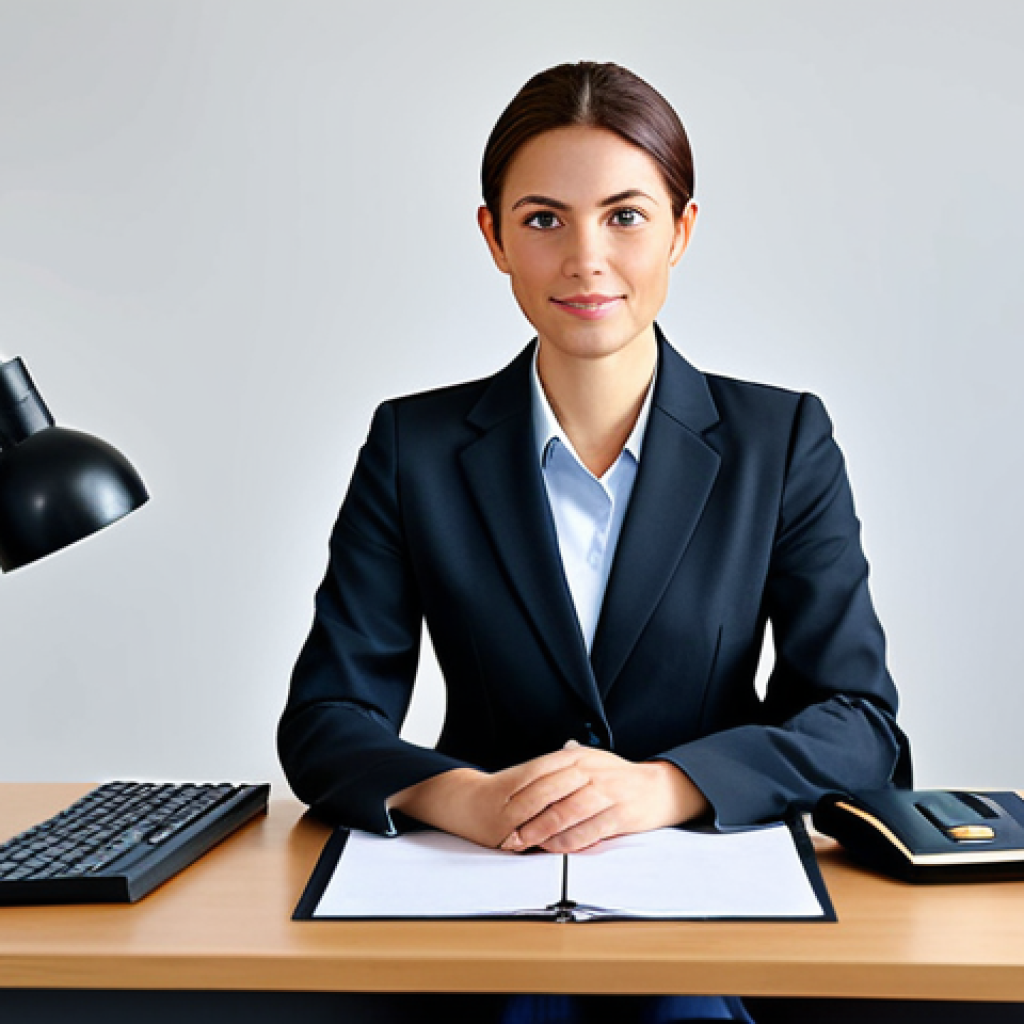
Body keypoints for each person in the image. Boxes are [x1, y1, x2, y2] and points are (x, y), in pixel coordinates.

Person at [278, 61, 910, 1024]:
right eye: (543, 220)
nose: (585, 260)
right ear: (493, 237)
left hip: (706, 901)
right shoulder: (415, 445)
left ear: (681, 231)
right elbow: (326, 719)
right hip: (487, 897)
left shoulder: (780, 441)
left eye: (624, 216)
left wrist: (670, 787)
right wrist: (467, 799)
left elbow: (858, 720)